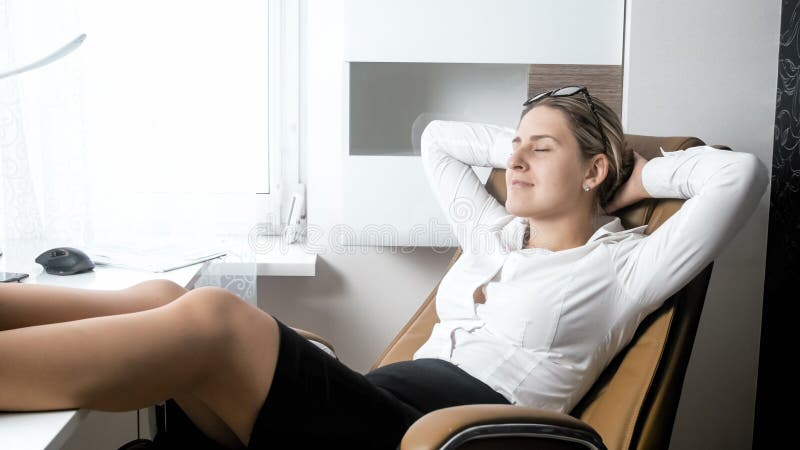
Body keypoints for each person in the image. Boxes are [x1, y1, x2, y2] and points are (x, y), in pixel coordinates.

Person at [0, 86, 769, 450]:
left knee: (212, 320)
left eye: (543, 149)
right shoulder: (493, 236)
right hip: (373, 402)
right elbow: (436, 136)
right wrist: (544, 132)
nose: (515, 158)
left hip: (432, 438)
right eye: (515, 143)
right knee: (171, 294)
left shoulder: (626, 267)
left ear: (595, 169)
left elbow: (738, 177)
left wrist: (635, 175)